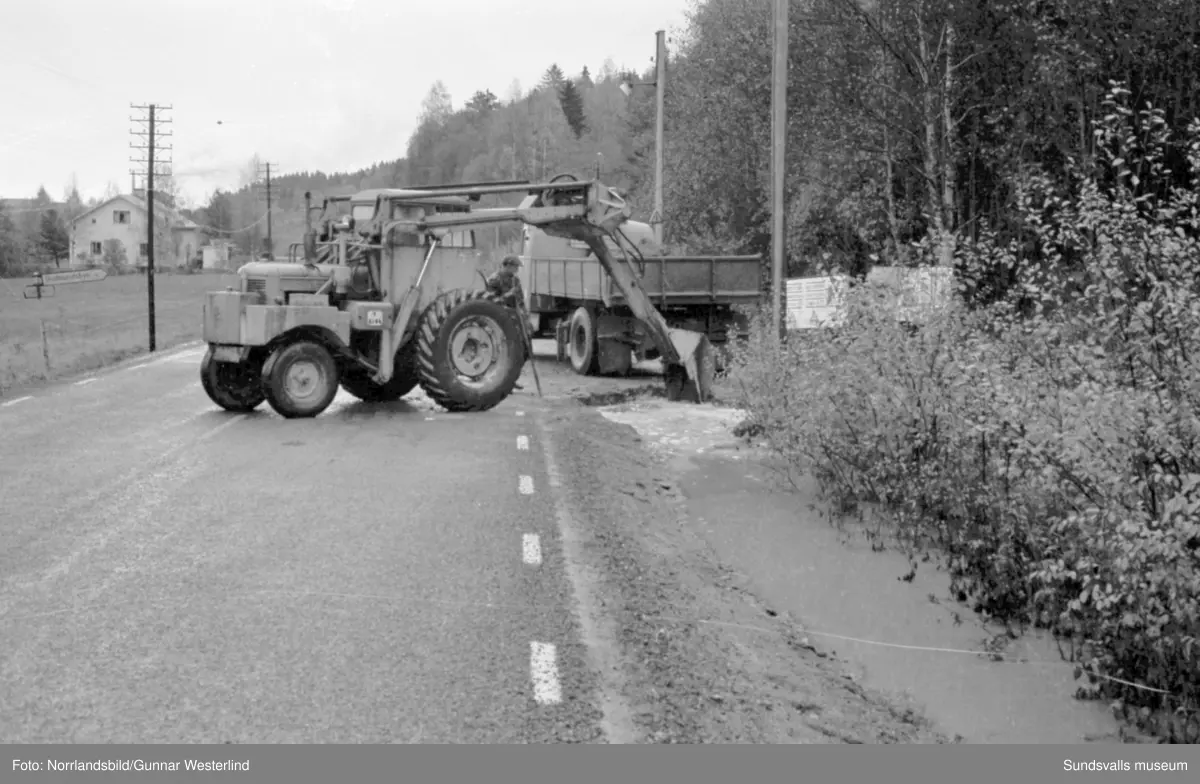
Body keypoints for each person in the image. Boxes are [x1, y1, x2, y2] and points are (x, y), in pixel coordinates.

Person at [485, 255, 528, 390]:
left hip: (515, 318)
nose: (516, 270)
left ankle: (512, 378)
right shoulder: (494, 280)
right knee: (502, 352)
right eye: (515, 267)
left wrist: (525, 317)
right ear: (507, 266)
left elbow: (520, 301)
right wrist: (508, 294)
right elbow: (489, 303)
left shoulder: (515, 281)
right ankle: (501, 381)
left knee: (523, 349)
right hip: (499, 321)